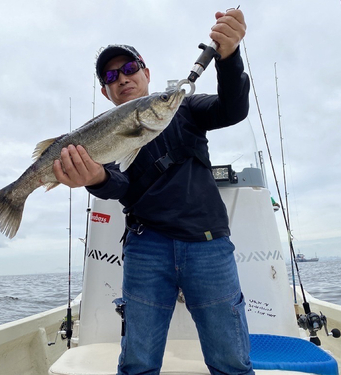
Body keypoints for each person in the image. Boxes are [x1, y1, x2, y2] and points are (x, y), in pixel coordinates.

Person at [53, 8, 254, 375]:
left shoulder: (186, 107)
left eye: (130, 69)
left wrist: (228, 57)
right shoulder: (104, 135)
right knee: (138, 362)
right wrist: (95, 177)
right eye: (112, 76)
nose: (123, 78)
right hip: (146, 248)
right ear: (105, 90)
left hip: (208, 243)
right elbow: (117, 184)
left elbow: (232, 107)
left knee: (231, 361)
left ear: (147, 73)